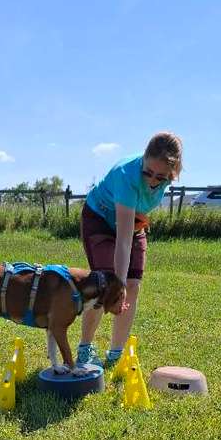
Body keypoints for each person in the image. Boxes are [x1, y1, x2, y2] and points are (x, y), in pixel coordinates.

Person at [76, 131, 183, 368]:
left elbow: (134, 220)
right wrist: (118, 285)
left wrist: (125, 286)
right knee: (104, 284)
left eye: (161, 177)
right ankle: (84, 349)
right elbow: (123, 241)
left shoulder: (163, 178)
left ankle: (116, 355)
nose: (153, 181)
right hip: (100, 219)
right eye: (148, 173)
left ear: (172, 174)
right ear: (143, 159)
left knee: (133, 286)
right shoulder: (127, 176)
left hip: (132, 221)